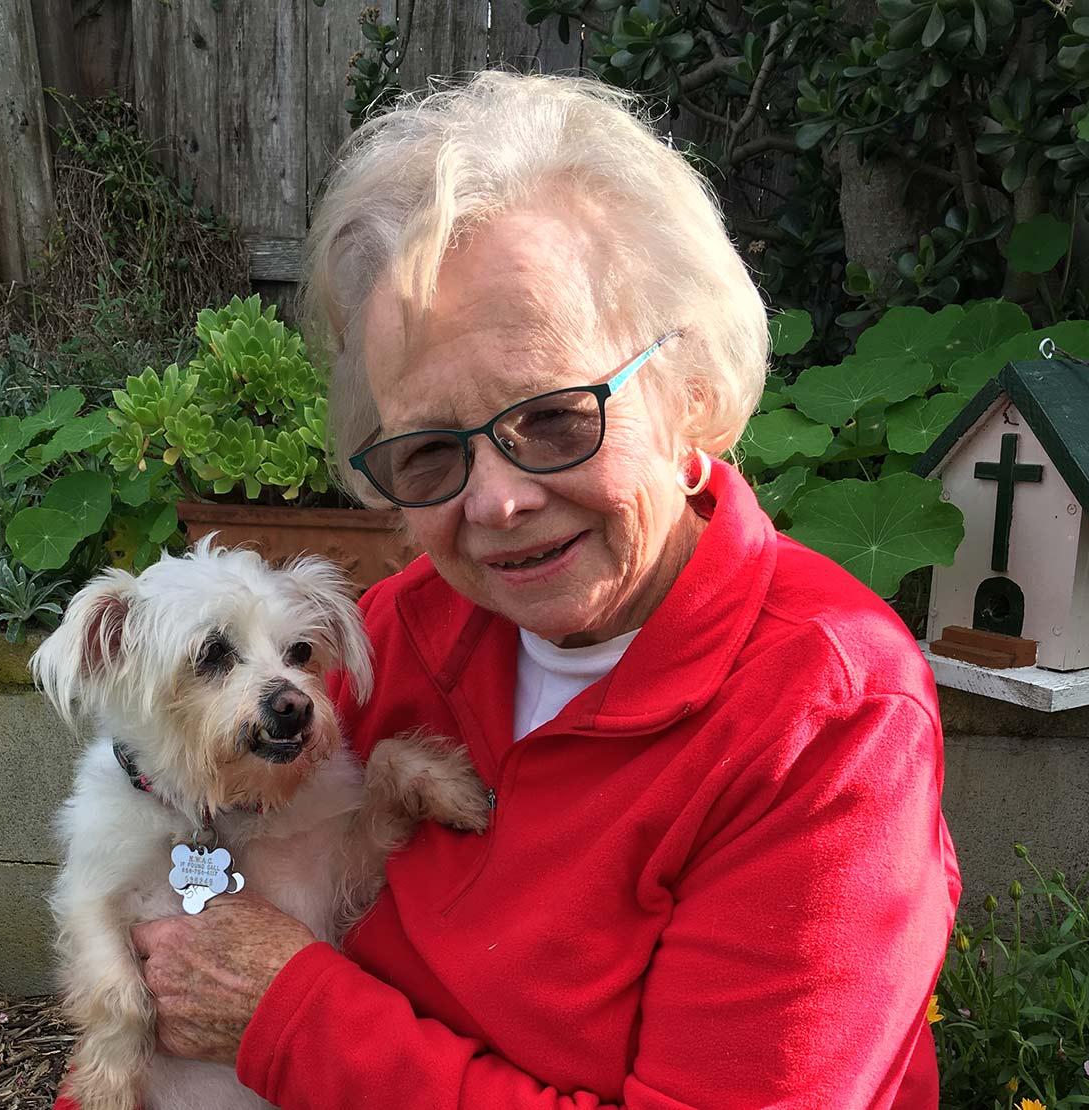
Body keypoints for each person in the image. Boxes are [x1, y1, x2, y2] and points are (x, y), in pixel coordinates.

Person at [62, 71, 961, 1108]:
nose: (495, 502)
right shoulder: (395, 634)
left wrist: (291, 1017)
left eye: (555, 417)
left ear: (690, 390)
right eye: (430, 451)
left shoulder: (825, 718)